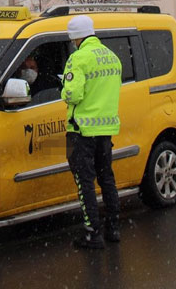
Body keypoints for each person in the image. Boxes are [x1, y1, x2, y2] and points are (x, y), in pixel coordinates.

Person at [61, 15, 122, 249]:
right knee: (107, 178)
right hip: (106, 130)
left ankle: (92, 232)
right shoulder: (112, 57)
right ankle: (113, 228)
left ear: (75, 38)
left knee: (84, 180)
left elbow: (73, 95)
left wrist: (63, 90)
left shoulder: (77, 59)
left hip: (80, 131)